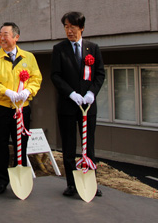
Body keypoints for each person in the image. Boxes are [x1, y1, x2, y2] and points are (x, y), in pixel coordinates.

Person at [50, 11, 105, 197]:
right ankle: (72, 184)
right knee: (68, 146)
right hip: (67, 105)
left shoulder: (93, 48)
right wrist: (71, 93)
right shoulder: (59, 49)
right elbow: (55, 76)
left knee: (88, 145)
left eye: (72, 27)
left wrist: (91, 93)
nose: (69, 31)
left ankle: (91, 183)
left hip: (87, 107)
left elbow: (100, 74)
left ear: (81, 28)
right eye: (66, 27)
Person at [0, 22, 42, 195]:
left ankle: (21, 178)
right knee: (1, 145)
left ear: (16, 37)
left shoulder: (28, 57)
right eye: (0, 34)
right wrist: (6, 91)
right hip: (1, 109)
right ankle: (1, 181)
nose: (2, 38)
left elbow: (36, 78)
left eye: (6, 34)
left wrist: (28, 91)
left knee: (21, 145)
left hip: (22, 109)